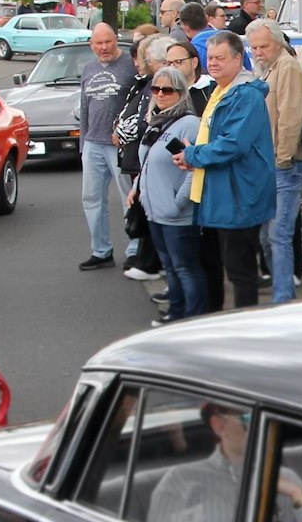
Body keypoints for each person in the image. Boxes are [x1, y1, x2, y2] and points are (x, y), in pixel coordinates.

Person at [155, 403, 302, 522]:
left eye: (271, 418)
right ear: (219, 426)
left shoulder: (287, 479)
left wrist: (298, 495)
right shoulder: (180, 482)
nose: (264, 426)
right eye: (249, 418)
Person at [176, 30, 274, 309]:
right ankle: (216, 322)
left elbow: (232, 144)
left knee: (240, 272)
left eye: (221, 57)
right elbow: (214, 137)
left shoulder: (245, 95)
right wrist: (191, 153)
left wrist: (193, 154)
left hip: (238, 196)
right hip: (221, 194)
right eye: (211, 57)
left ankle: (244, 332)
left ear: (238, 58)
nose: (214, 63)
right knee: (218, 266)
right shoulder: (221, 91)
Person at [135, 64, 206, 321]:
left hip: (177, 214)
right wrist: (137, 189)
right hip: (155, 212)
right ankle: (176, 314)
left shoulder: (189, 124)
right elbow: (148, 161)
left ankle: (193, 317)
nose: (161, 94)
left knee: (186, 268)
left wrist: (179, 202)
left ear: (181, 92)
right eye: (156, 89)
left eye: (168, 90)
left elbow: (196, 167)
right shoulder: (157, 122)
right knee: (171, 269)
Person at [247, 20, 302, 304]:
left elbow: (291, 117)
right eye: (254, 47)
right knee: (266, 236)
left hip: (284, 164)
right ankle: (281, 293)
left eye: (263, 46)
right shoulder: (268, 69)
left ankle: (283, 299)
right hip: (267, 165)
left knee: (278, 235)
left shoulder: (288, 67)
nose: (258, 52)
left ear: (279, 43)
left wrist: (282, 158)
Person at [77, 24, 136, 271]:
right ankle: (101, 251)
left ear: (116, 41)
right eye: (98, 43)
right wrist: (83, 145)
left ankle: (135, 250)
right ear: (91, 45)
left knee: (128, 199)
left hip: (119, 145)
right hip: (93, 143)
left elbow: (138, 103)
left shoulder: (130, 67)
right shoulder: (88, 69)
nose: (104, 48)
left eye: (108, 42)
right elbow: (85, 107)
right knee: (91, 198)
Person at [114, 35, 171, 284]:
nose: (141, 64)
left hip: (151, 158)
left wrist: (122, 132)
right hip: (140, 157)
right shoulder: (147, 83)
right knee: (146, 207)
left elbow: (144, 121)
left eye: (146, 59)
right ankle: (148, 259)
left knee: (152, 210)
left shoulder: (157, 84)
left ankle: (151, 261)